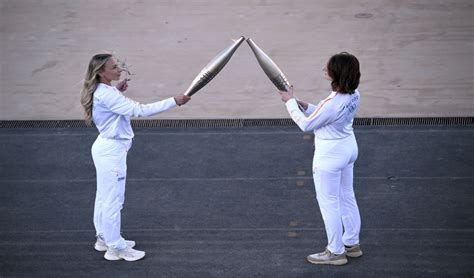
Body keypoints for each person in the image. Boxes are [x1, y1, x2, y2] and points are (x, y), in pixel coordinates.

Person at [80, 53, 190, 261]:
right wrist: (173, 101)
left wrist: (116, 90)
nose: (119, 69)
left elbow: (111, 103)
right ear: (101, 73)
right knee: (113, 200)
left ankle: (103, 238)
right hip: (111, 153)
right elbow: (140, 110)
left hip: (106, 148)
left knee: (104, 197)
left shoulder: (103, 90)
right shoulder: (108, 94)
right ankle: (115, 248)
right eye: (114, 67)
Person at [279, 52, 362, 266]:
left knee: (329, 203)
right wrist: (302, 104)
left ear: (337, 73)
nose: (324, 68)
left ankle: (336, 252)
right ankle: (351, 244)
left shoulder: (333, 102)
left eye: (328, 67)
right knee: (346, 196)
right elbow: (326, 116)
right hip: (348, 149)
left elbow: (307, 125)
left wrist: (289, 103)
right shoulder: (354, 95)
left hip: (330, 157)